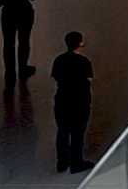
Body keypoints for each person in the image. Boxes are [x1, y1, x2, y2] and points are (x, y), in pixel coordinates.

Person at [50, 31, 95, 172]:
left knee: (62, 131)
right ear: (80, 43)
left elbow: (56, 77)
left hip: (62, 99)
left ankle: (62, 162)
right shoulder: (84, 62)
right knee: (78, 132)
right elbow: (88, 79)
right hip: (80, 101)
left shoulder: (59, 60)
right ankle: (77, 162)